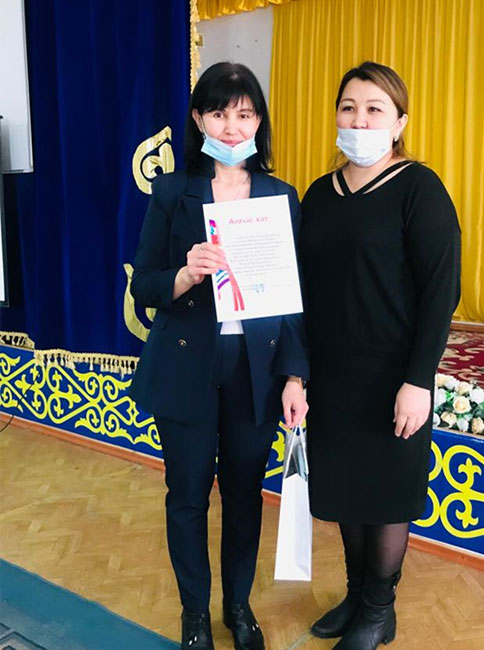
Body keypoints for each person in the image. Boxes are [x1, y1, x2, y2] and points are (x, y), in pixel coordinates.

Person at [129, 62, 309, 650]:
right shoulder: (172, 192)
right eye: (219, 113)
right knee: (186, 495)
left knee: (243, 494)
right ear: (198, 119)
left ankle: (238, 605)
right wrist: (184, 274)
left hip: (255, 373)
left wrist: (295, 376)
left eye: (245, 114)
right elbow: (144, 284)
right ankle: (195, 615)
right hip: (187, 366)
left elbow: (295, 300)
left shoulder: (280, 196)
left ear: (259, 121)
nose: (232, 128)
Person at [299, 61, 461, 650]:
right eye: (349, 107)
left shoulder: (420, 189)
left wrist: (419, 380)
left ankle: (378, 610)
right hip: (333, 374)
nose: (359, 119)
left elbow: (441, 291)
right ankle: (355, 594)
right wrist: (298, 372)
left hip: (395, 376)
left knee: (387, 491)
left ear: (399, 123)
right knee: (347, 488)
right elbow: (302, 287)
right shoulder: (319, 194)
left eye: (374, 109)